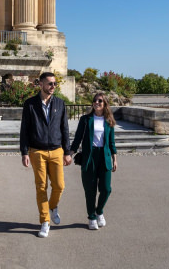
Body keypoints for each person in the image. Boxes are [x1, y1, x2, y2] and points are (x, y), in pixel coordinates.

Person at [20, 72, 72, 238]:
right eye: (50, 83)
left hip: (57, 150)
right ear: (41, 84)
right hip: (37, 151)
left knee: (59, 185)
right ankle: (45, 221)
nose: (52, 87)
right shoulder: (30, 104)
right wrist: (24, 152)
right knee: (41, 186)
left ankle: (53, 206)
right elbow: (24, 130)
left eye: (54, 84)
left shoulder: (60, 103)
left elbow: (64, 129)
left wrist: (68, 152)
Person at [70, 92, 117, 231]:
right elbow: (78, 138)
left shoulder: (109, 120)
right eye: (95, 100)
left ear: (105, 104)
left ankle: (99, 211)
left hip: (104, 156)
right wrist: (69, 154)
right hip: (89, 157)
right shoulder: (85, 119)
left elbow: (112, 142)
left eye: (100, 101)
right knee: (90, 190)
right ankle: (91, 217)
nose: (97, 102)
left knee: (106, 189)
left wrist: (115, 159)